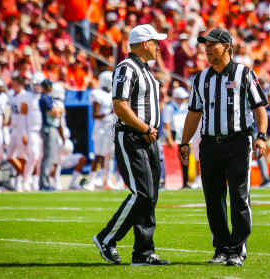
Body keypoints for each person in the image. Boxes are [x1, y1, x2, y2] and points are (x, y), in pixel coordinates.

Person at [179, 29, 268, 267]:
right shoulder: (200, 79)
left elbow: (260, 107)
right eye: (205, 45)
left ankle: (237, 250)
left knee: (239, 197)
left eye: (212, 45)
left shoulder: (244, 73)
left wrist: (261, 136)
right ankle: (221, 248)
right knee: (214, 199)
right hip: (209, 144)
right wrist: (185, 142)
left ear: (226, 46)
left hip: (238, 143)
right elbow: (194, 113)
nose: (206, 49)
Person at [93, 24, 171, 266]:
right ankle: (106, 238)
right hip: (132, 137)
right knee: (143, 193)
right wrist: (145, 128)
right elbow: (120, 106)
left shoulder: (145, 69)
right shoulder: (126, 68)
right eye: (155, 41)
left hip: (148, 138)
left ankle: (144, 252)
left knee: (150, 197)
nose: (159, 46)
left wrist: (150, 130)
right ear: (145, 43)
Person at [87, 71, 123, 191]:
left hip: (111, 128)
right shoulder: (98, 94)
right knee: (99, 155)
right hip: (101, 129)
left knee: (111, 155)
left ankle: (107, 180)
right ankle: (92, 180)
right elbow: (95, 114)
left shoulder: (113, 94)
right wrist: (109, 112)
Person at [20, 72, 45, 192]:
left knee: (40, 157)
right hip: (31, 130)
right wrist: (24, 133)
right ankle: (25, 180)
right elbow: (23, 116)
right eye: (37, 84)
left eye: (41, 84)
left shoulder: (45, 97)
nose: (38, 86)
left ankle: (36, 181)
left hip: (42, 130)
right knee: (34, 156)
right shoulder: (27, 97)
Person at [162, 86, 191, 189]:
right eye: (181, 97)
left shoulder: (185, 107)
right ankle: (172, 182)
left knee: (185, 160)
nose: (183, 99)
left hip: (184, 136)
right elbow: (167, 125)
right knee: (173, 161)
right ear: (176, 97)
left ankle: (185, 183)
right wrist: (169, 139)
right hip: (174, 136)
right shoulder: (169, 108)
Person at [38, 78, 63, 191]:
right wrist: (58, 110)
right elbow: (55, 113)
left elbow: (59, 111)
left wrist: (58, 110)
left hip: (51, 128)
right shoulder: (44, 98)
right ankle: (44, 183)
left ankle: (46, 182)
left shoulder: (48, 98)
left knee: (50, 156)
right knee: (48, 157)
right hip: (48, 128)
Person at [6, 74, 28, 192]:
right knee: (9, 156)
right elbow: (10, 111)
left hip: (21, 129)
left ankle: (21, 179)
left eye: (15, 85)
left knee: (21, 156)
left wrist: (25, 133)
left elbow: (25, 116)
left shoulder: (25, 96)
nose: (13, 87)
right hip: (13, 128)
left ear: (20, 85)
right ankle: (24, 176)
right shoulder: (11, 95)